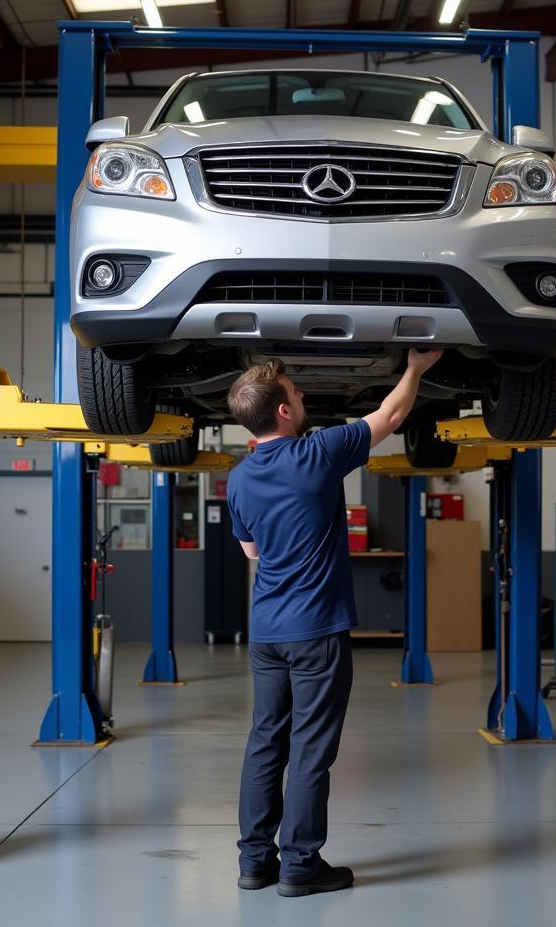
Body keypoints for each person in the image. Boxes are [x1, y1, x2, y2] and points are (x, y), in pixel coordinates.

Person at [226, 348, 443, 898]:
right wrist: (416, 367)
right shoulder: (318, 452)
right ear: (281, 412)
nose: (303, 398)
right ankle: (300, 865)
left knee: (265, 741)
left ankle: (255, 862)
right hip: (316, 630)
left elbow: (251, 551)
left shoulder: (238, 479)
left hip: (268, 631)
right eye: (296, 394)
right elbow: (391, 416)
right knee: (311, 748)